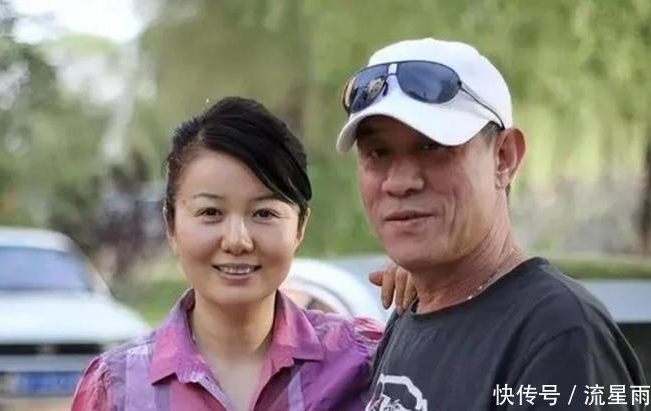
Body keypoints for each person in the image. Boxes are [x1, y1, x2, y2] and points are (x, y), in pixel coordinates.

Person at [337, 38, 647, 410]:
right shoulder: (415, 310)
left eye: (431, 147)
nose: (400, 182)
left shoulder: (559, 336)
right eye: (378, 153)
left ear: (504, 157)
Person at [71, 97, 411, 411]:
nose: (237, 241)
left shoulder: (366, 361)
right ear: (171, 226)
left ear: (299, 227)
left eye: (264, 213)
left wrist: (431, 282)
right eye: (210, 213)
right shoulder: (117, 387)